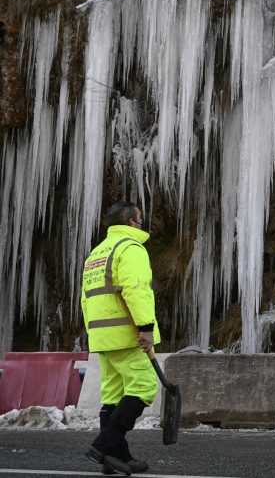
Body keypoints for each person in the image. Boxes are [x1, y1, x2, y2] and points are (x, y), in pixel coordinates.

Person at [81, 201, 160, 475]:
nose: (142, 224)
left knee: (113, 396)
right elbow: (136, 289)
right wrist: (146, 327)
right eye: (140, 219)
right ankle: (103, 445)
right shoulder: (130, 248)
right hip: (128, 335)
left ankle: (117, 458)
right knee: (144, 386)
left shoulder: (96, 254)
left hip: (102, 336)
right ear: (130, 223)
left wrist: (95, 333)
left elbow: (85, 299)